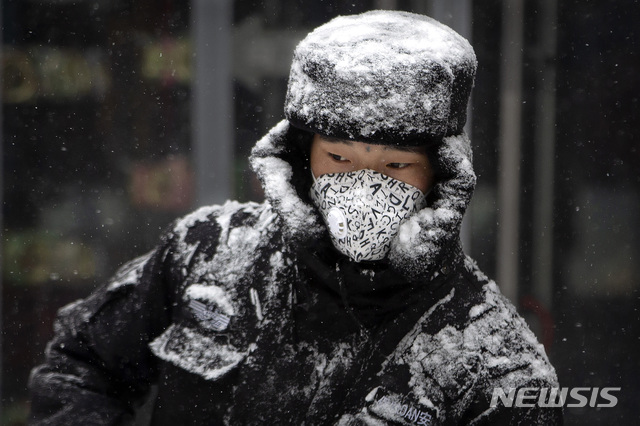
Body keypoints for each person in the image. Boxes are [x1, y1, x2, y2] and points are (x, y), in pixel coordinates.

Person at [29, 10, 563, 425]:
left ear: (442, 175)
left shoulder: (490, 364)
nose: (363, 187)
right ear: (302, 158)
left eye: (396, 165)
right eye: (340, 158)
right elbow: (82, 364)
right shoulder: (210, 252)